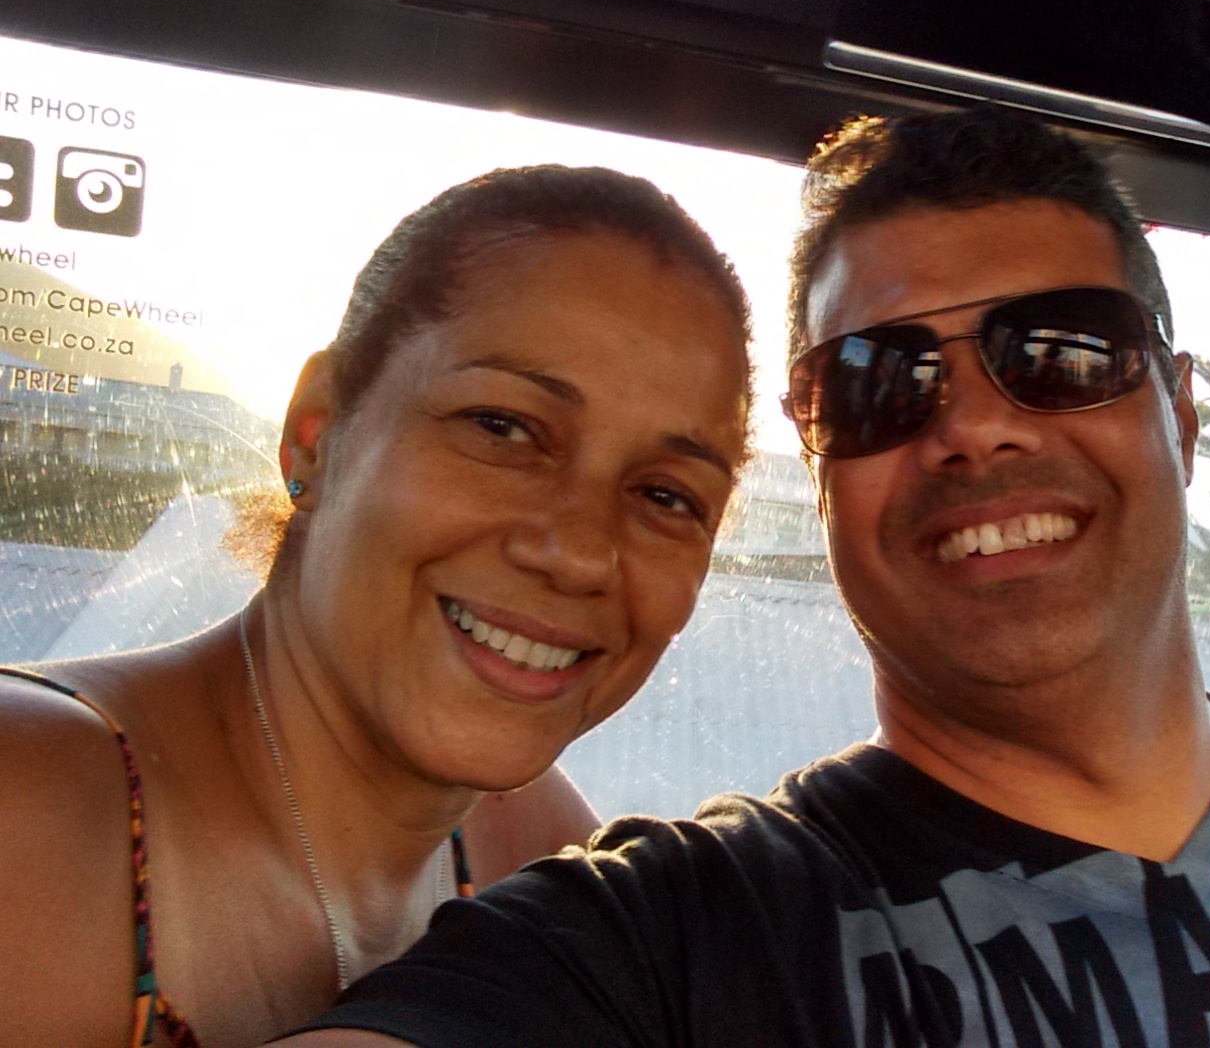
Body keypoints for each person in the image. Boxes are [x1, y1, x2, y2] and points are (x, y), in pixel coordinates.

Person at [283, 109, 1210, 1047]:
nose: (974, 427)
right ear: (821, 467)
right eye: (880, 380)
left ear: (1182, 413)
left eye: (1062, 350)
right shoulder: (681, 944)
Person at [0, 164, 752, 1047]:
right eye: (502, 427)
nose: (582, 552)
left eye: (667, 496)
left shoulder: (545, 860)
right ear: (316, 434)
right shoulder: (29, 806)